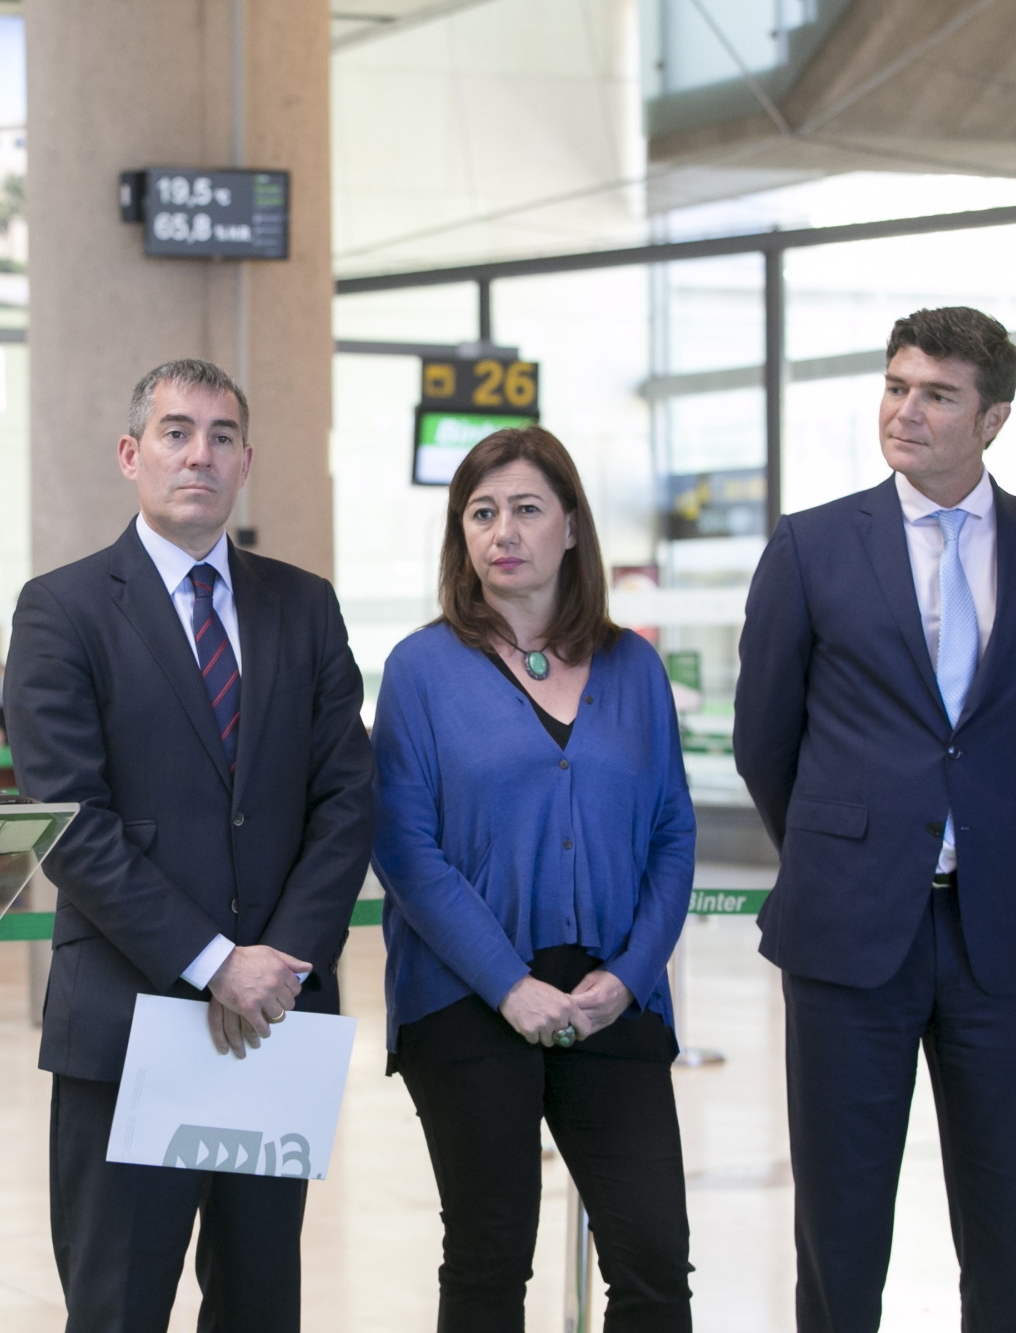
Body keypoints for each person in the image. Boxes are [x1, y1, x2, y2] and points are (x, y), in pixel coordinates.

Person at [734, 307, 1016, 1332]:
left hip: (997, 935)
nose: (904, 410)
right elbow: (763, 739)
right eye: (895, 385)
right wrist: (853, 843)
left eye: (935, 393)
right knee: (840, 1224)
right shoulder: (811, 547)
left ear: (990, 418)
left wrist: (982, 835)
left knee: (1002, 1221)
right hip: (845, 933)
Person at [3, 358, 375, 1333]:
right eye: (174, 432)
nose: (196, 454)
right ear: (130, 454)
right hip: (133, 1022)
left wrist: (279, 962)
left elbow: (344, 797)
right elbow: (71, 824)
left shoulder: (303, 605)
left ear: (245, 462)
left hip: (275, 1019)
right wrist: (216, 963)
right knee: (119, 1305)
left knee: (259, 1305)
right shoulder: (62, 610)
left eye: (219, 436)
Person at [372, 426, 696, 1332]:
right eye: (481, 513)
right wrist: (510, 985)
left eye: (524, 508)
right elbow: (405, 849)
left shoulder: (634, 667)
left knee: (654, 1259)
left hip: (612, 1000)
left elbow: (673, 832)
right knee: (488, 1254)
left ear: (571, 527)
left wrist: (628, 979)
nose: (502, 530)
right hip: (466, 997)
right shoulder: (420, 670)